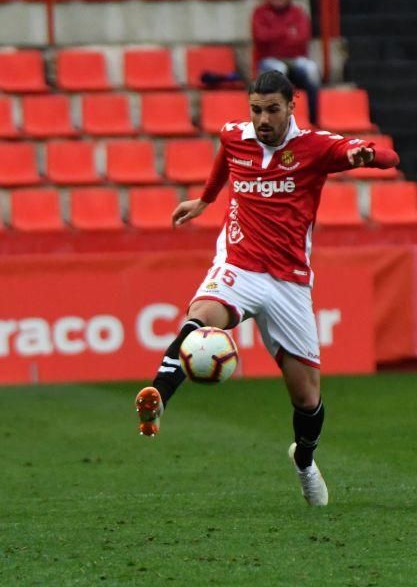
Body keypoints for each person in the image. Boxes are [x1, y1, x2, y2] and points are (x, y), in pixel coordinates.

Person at [134, 71, 400, 506]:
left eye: (272, 110)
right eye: (256, 110)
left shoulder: (315, 146)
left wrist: (365, 154)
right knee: (201, 317)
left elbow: (389, 157)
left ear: (292, 105)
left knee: (307, 397)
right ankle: (158, 398)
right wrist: (205, 200)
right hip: (239, 264)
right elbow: (225, 155)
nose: (262, 119)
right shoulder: (235, 135)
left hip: (289, 283)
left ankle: (304, 459)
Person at [252, 0, 320, 125]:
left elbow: (302, 38)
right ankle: (280, 118)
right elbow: (260, 37)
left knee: (311, 69)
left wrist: (274, 35)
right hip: (268, 59)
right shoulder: (260, 13)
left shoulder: (298, 13)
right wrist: (286, 32)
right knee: (279, 70)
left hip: (294, 58)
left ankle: (314, 118)